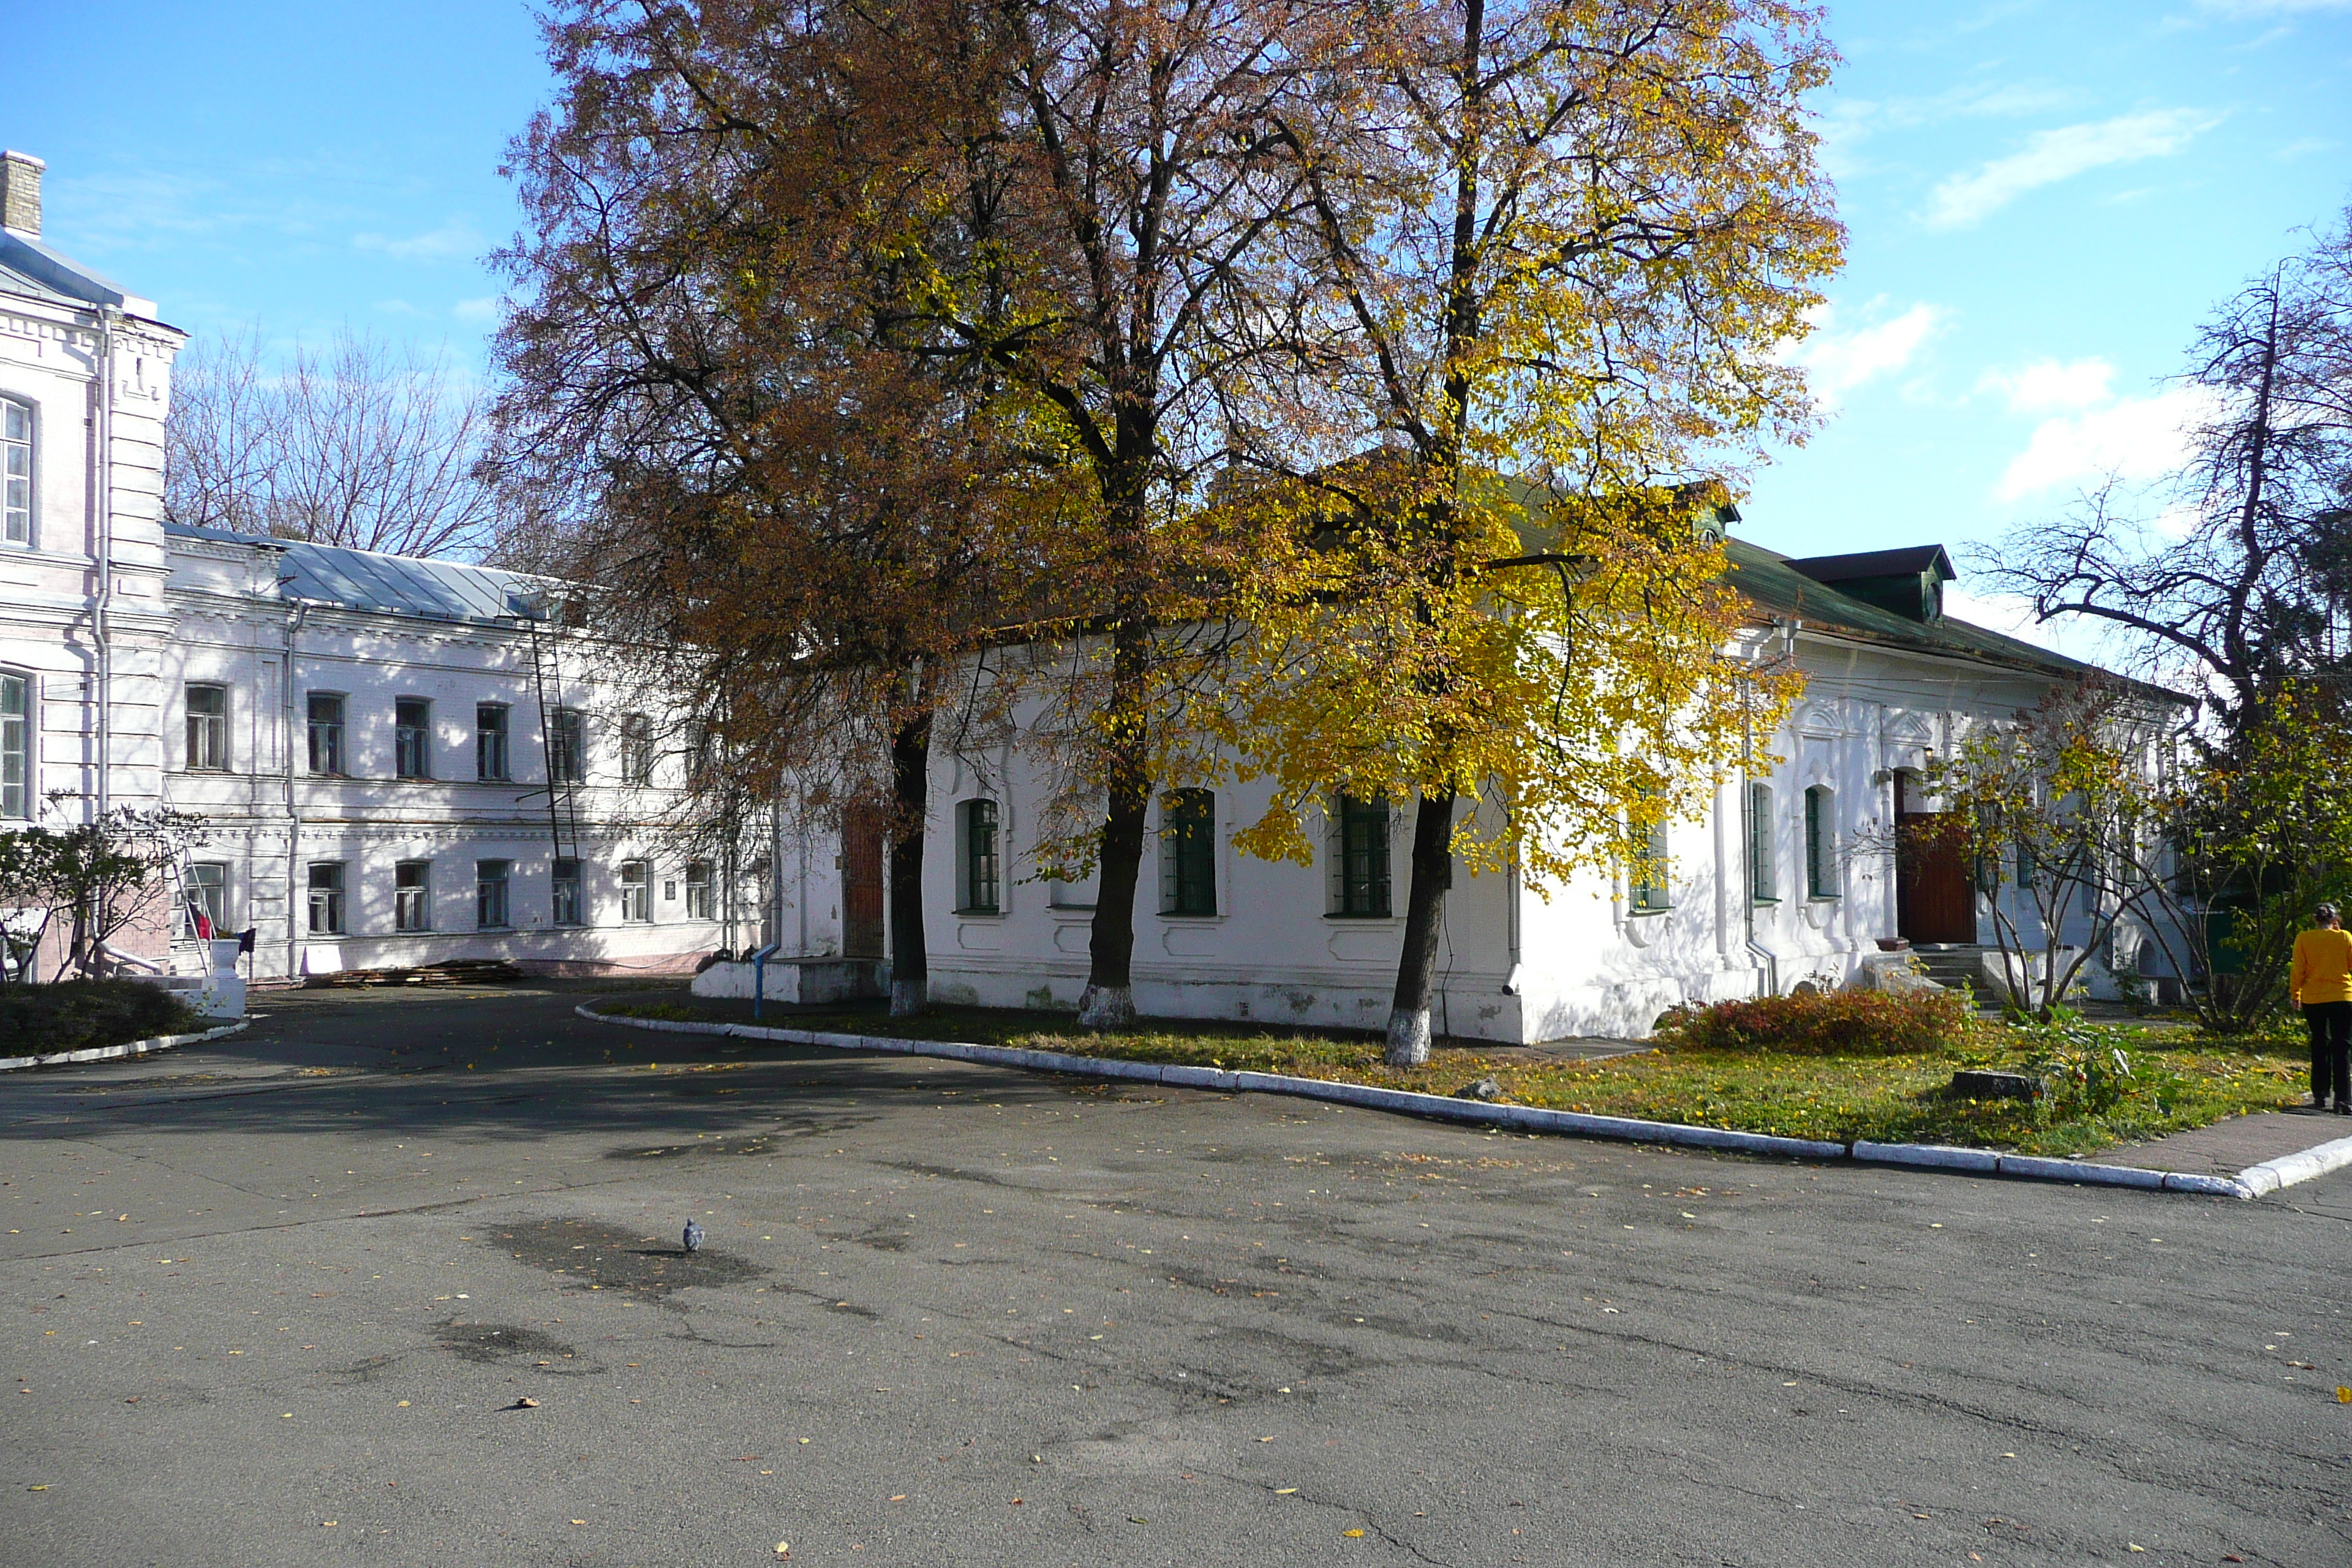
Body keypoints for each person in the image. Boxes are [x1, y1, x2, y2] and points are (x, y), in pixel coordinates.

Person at [2288, 902, 2352, 1113]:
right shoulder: (2344, 937)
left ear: (2315, 920)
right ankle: (2342, 1099)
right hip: (2342, 997)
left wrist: (2295, 994)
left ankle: (2320, 1096)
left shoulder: (2304, 939)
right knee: (2342, 1047)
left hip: (2313, 998)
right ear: (2335, 920)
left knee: (2319, 1043)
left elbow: (2298, 968)